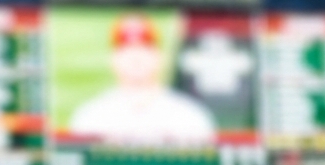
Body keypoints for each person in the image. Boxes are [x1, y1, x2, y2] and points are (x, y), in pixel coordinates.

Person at [69, 14, 217, 147]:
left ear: (160, 56)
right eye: (127, 49)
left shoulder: (190, 117)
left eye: (144, 48)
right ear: (112, 58)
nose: (136, 56)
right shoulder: (91, 117)